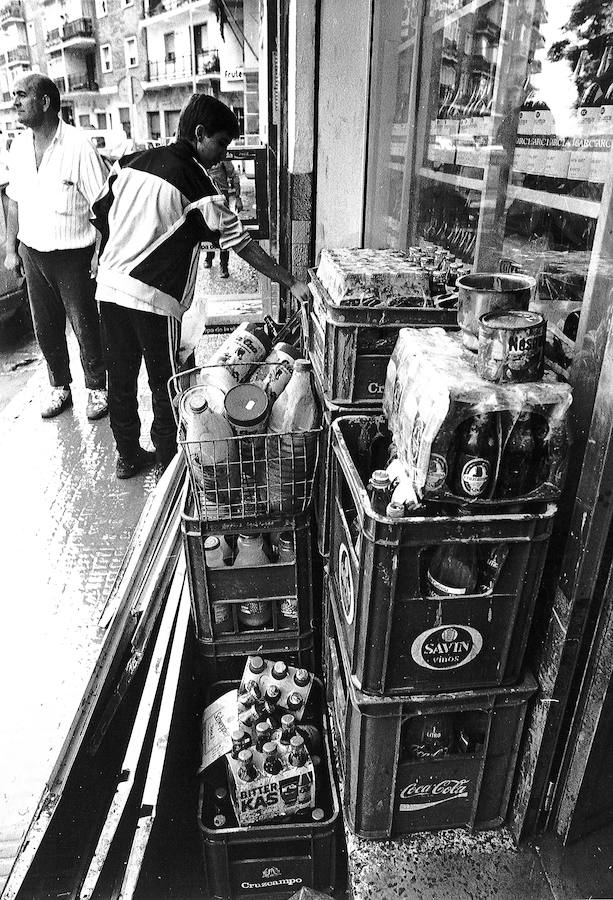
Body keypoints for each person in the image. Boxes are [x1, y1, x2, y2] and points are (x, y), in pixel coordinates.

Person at [92, 93, 310, 480]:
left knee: (120, 379)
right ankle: (167, 461)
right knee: (168, 380)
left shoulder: (129, 164)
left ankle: (126, 454)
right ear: (199, 133)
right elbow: (240, 243)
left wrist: (104, 257)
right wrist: (291, 281)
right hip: (152, 299)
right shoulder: (197, 184)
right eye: (221, 143)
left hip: (108, 290)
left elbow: (100, 211)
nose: (223, 155)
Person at [4, 74, 109, 420]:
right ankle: (59, 386)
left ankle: (96, 388)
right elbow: (14, 201)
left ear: (45, 102)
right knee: (45, 328)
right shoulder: (18, 147)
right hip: (33, 253)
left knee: (84, 325)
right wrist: (11, 248)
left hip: (73, 255)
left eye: (22, 95)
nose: (15, 101)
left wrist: (98, 252)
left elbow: (103, 206)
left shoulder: (78, 145)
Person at [203, 158, 243, 278]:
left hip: (221, 197)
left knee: (223, 229)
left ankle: (224, 265)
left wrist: (237, 197)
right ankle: (209, 257)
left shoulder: (220, 156)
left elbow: (233, 175)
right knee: (208, 227)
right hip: (205, 196)